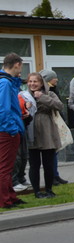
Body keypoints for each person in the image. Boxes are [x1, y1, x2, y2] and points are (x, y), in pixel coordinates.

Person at [25, 71, 64, 198]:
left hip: (47, 129)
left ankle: (49, 189)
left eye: (35, 81)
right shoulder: (23, 95)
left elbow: (59, 106)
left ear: (41, 83)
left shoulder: (49, 93)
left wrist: (42, 97)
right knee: (34, 164)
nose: (32, 84)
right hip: (31, 130)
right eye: (30, 81)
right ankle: (37, 191)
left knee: (48, 163)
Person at [0, 53, 26, 208]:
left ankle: (10, 196)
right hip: (6, 131)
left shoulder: (7, 82)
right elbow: (3, 109)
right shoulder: (5, 83)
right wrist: (12, 129)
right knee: (4, 167)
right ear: (17, 64)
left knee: (8, 167)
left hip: (8, 130)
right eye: (21, 65)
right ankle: (4, 200)